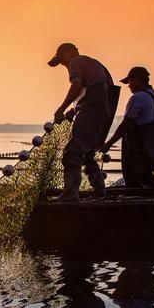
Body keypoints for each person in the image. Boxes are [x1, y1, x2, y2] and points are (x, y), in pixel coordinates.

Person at [48, 43, 120, 201]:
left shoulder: (77, 62)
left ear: (70, 52)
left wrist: (61, 109)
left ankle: (70, 193)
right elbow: (90, 92)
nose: (64, 65)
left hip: (93, 112)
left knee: (72, 152)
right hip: (103, 115)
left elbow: (77, 85)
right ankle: (100, 190)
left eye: (62, 60)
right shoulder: (95, 64)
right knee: (88, 153)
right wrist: (73, 110)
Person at [101, 67, 154, 188]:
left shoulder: (137, 97)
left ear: (137, 79)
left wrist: (108, 144)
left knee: (134, 181)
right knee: (148, 178)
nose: (129, 86)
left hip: (138, 148)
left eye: (130, 82)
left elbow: (125, 125)